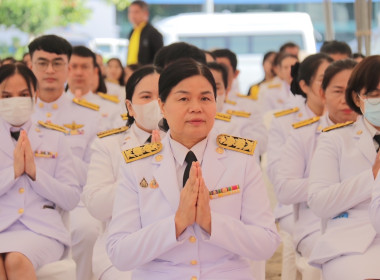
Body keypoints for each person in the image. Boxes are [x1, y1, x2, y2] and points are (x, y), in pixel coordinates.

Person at [107, 58, 280, 279]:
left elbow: (266, 243)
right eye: (183, 98)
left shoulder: (241, 159)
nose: (196, 107)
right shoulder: (137, 164)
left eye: (206, 98)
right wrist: (177, 223)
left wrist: (211, 222)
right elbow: (119, 253)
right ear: (162, 106)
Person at [276, 59, 357, 280]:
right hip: (316, 225)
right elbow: (283, 189)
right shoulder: (303, 135)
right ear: (322, 94)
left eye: (353, 91)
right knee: (345, 259)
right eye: (338, 91)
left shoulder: (370, 133)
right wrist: (332, 183)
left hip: (367, 221)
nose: (346, 99)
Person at [0, 63, 80, 279]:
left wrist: (35, 174)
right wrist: (13, 173)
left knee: (16, 259)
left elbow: (72, 198)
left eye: (23, 94)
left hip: (41, 230)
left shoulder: (54, 137)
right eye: (6, 96)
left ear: (34, 95)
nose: (14, 101)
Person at [83, 65, 163, 280]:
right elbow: (96, 205)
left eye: (162, 96)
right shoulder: (109, 144)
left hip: (172, 244)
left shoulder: (185, 142)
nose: (156, 103)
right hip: (122, 246)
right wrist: (145, 169)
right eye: (146, 96)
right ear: (130, 106)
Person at [307, 55, 380, 280]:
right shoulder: (336, 140)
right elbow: (319, 202)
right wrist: (373, 176)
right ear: (358, 99)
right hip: (352, 241)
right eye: (375, 94)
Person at [266, 53, 333, 280]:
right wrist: (330, 185)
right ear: (304, 85)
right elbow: (280, 181)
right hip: (296, 209)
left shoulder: (352, 119)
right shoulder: (286, 122)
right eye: (325, 79)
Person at [67, 46, 124, 131]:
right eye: (74, 66)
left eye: (85, 67)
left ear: (95, 71)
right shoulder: (52, 106)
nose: (79, 73)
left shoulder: (112, 109)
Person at [127, 0, 163, 65]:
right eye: (130, 12)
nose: (132, 15)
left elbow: (159, 59)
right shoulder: (132, 32)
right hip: (131, 72)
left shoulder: (153, 33)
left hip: (146, 73)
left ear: (146, 13)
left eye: (136, 12)